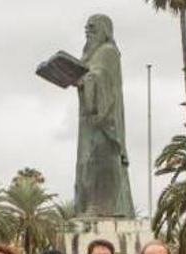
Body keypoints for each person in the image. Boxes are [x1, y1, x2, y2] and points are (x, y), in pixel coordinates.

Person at [75, 13, 134, 218]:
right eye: (86, 28)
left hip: (104, 118)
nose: (88, 31)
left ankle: (103, 206)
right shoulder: (91, 54)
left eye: (92, 27)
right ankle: (90, 204)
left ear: (103, 30)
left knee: (100, 159)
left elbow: (103, 79)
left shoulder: (108, 52)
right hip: (89, 119)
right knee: (86, 162)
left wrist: (87, 78)